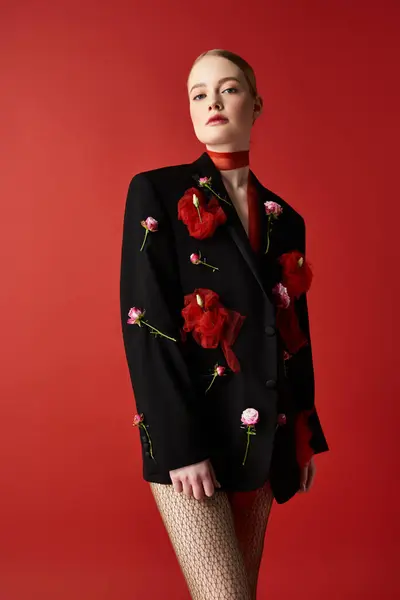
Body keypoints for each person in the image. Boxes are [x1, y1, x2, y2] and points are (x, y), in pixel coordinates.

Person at [119, 48, 329, 600]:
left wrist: (303, 435)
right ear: (190, 111)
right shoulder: (157, 193)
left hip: (261, 440)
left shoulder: (287, 219)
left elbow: (293, 333)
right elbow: (147, 326)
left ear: (255, 103)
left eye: (229, 88)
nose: (212, 101)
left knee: (243, 594)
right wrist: (177, 445)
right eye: (198, 93)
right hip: (188, 441)